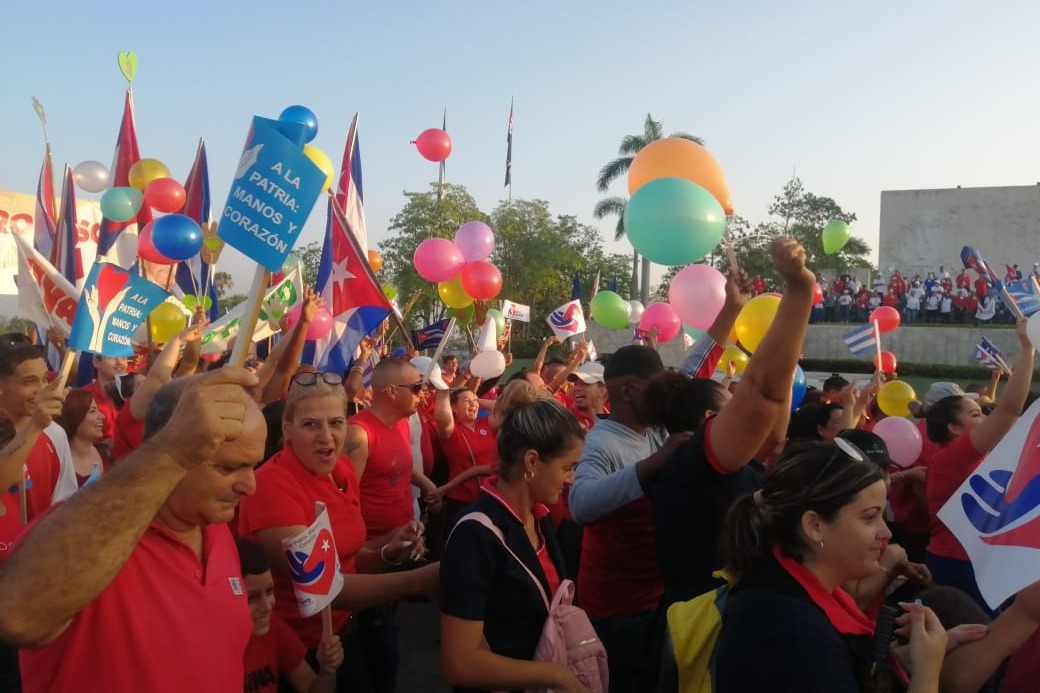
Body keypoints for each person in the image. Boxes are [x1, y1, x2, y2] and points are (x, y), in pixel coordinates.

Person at [2, 368, 266, 692]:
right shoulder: (84, 535)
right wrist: (169, 453)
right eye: (228, 468)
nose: (249, 486)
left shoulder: (213, 527)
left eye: (253, 465)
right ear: (172, 446)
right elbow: (17, 615)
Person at [641, 236, 816, 608]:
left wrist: (775, 340)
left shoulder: (707, 461)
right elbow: (764, 394)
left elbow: (773, 426)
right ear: (710, 420)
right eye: (732, 403)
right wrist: (800, 291)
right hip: (708, 634)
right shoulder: (695, 465)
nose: (741, 405)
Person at [237, 370, 438, 693]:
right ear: (287, 429)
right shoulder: (272, 487)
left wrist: (389, 548)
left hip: (345, 631)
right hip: (301, 655)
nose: (326, 436)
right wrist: (424, 578)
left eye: (336, 423)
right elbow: (324, 587)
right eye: (311, 424)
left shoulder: (341, 469)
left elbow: (348, 554)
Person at [712, 440, 948, 692]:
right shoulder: (793, 636)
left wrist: (894, 660)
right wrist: (927, 673)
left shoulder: (792, 589)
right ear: (814, 526)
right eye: (869, 517)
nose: (886, 532)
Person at [439, 398, 589, 693]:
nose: (571, 479)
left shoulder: (538, 516)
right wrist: (556, 676)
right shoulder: (476, 533)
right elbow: (460, 663)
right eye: (567, 467)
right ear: (531, 461)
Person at [924, 318, 1035, 612]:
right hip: (957, 564)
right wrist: (1027, 348)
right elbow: (1009, 411)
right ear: (954, 428)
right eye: (976, 415)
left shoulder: (968, 456)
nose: (985, 418)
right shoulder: (953, 456)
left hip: (972, 562)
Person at [342, 358, 439, 693]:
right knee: (377, 646)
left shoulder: (400, 423)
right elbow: (343, 503)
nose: (422, 393)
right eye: (415, 387)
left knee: (385, 631)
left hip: (396, 547)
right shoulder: (359, 433)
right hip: (369, 558)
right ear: (391, 392)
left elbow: (400, 465)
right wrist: (370, 551)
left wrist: (427, 486)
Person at [238, 537, 344, 693]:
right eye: (250, 598)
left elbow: (311, 688)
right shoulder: (207, 649)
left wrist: (327, 669)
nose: (266, 606)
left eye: (269, 591)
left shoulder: (275, 629)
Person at [435, 387, 498, 527]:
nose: (473, 404)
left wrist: (477, 400)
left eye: (474, 401)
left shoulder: (486, 423)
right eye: (466, 401)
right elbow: (441, 416)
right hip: (461, 499)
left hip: (491, 495)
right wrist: (444, 393)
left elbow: (507, 408)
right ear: (454, 408)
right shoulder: (451, 430)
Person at [55, 388, 111, 487]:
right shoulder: (58, 465)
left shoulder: (106, 453)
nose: (102, 416)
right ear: (74, 417)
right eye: (92, 411)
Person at [82, 355, 127, 444]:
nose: (120, 362)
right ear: (96, 362)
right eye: (112, 357)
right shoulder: (83, 396)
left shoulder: (134, 394)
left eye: (124, 357)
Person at [567, 362, 607, 431]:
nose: (577, 388)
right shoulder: (566, 421)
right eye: (576, 384)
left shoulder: (615, 422)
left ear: (602, 390)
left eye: (585, 384)